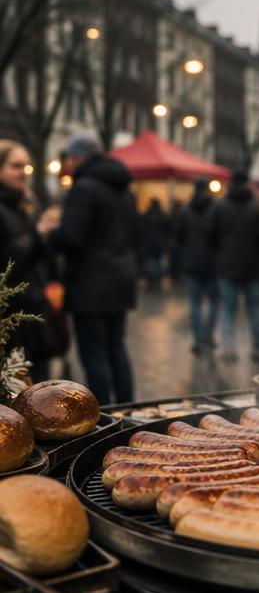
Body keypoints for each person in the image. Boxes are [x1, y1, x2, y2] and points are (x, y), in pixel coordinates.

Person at [53, 131, 139, 405]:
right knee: (117, 347)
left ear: (78, 157)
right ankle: (127, 408)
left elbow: (72, 238)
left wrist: (52, 232)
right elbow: (137, 234)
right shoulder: (123, 189)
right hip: (120, 278)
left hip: (90, 283)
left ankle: (102, 414)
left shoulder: (85, 187)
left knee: (94, 353)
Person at [0, 140, 66, 381]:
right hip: (10, 314)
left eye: (26, 166)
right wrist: (37, 235)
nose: (23, 172)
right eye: (15, 166)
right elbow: (8, 260)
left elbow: (42, 257)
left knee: (38, 380)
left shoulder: (27, 203)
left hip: (34, 307)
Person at [207, 170, 259, 363]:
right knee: (255, 309)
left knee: (227, 310)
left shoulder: (220, 207)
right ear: (247, 184)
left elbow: (211, 234)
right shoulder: (258, 208)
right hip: (253, 266)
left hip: (227, 266)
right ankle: (258, 347)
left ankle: (228, 348)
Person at [175, 178, 218, 354]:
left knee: (195, 303)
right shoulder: (215, 209)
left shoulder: (185, 210)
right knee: (214, 302)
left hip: (191, 262)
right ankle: (208, 336)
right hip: (212, 263)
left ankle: (198, 339)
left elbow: (178, 236)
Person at [139, 198, 170, 289]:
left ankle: (151, 281)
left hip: (149, 243)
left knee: (150, 263)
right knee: (159, 263)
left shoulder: (147, 215)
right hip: (160, 243)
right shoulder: (163, 215)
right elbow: (168, 229)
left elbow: (142, 228)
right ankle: (157, 281)